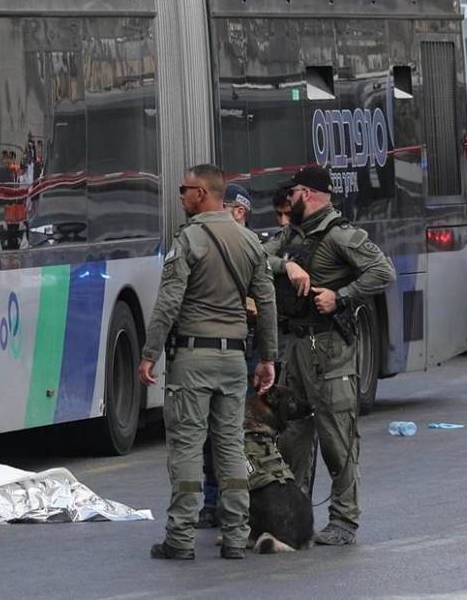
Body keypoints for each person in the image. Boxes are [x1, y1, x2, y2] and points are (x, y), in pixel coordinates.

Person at [139, 165, 278, 561]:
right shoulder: (249, 241)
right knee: (231, 445)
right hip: (234, 358)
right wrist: (269, 357)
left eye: (184, 189)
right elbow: (266, 303)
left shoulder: (189, 240)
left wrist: (149, 353)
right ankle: (235, 537)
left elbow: (168, 302)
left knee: (187, 446)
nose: (181, 195)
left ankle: (180, 539)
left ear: (201, 193)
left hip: (192, 358)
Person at [267, 165, 395, 546]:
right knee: (292, 436)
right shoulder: (291, 236)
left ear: (307, 194)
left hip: (331, 349)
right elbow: (254, 258)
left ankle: (344, 521)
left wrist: (341, 297)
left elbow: (383, 271)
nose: (288, 200)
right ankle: (294, 516)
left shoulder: (340, 235)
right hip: (297, 348)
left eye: (292, 194)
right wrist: (286, 265)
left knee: (337, 437)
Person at [195, 181, 253, 530]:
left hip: (243, 352)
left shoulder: (251, 248)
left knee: (234, 434)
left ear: (239, 212)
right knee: (207, 434)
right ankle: (211, 501)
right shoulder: (206, 244)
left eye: (224, 209)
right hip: (212, 350)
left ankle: (236, 506)